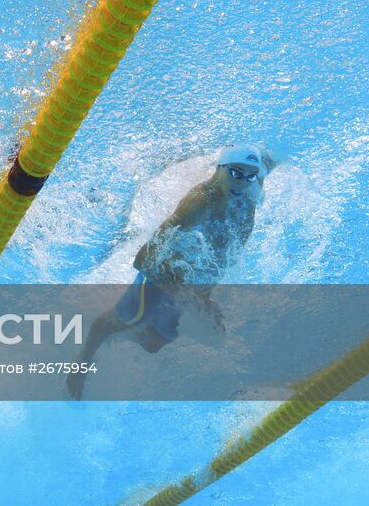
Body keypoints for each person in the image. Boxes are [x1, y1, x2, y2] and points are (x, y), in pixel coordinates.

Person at [67, 145, 273, 399]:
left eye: (250, 175)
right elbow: (149, 251)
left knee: (155, 343)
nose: (242, 182)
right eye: (236, 173)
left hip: (198, 281)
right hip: (163, 272)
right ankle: (82, 361)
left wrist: (203, 296)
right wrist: (176, 286)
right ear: (219, 169)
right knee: (127, 318)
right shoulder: (201, 202)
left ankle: (132, 332)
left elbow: (263, 168)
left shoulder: (249, 191)